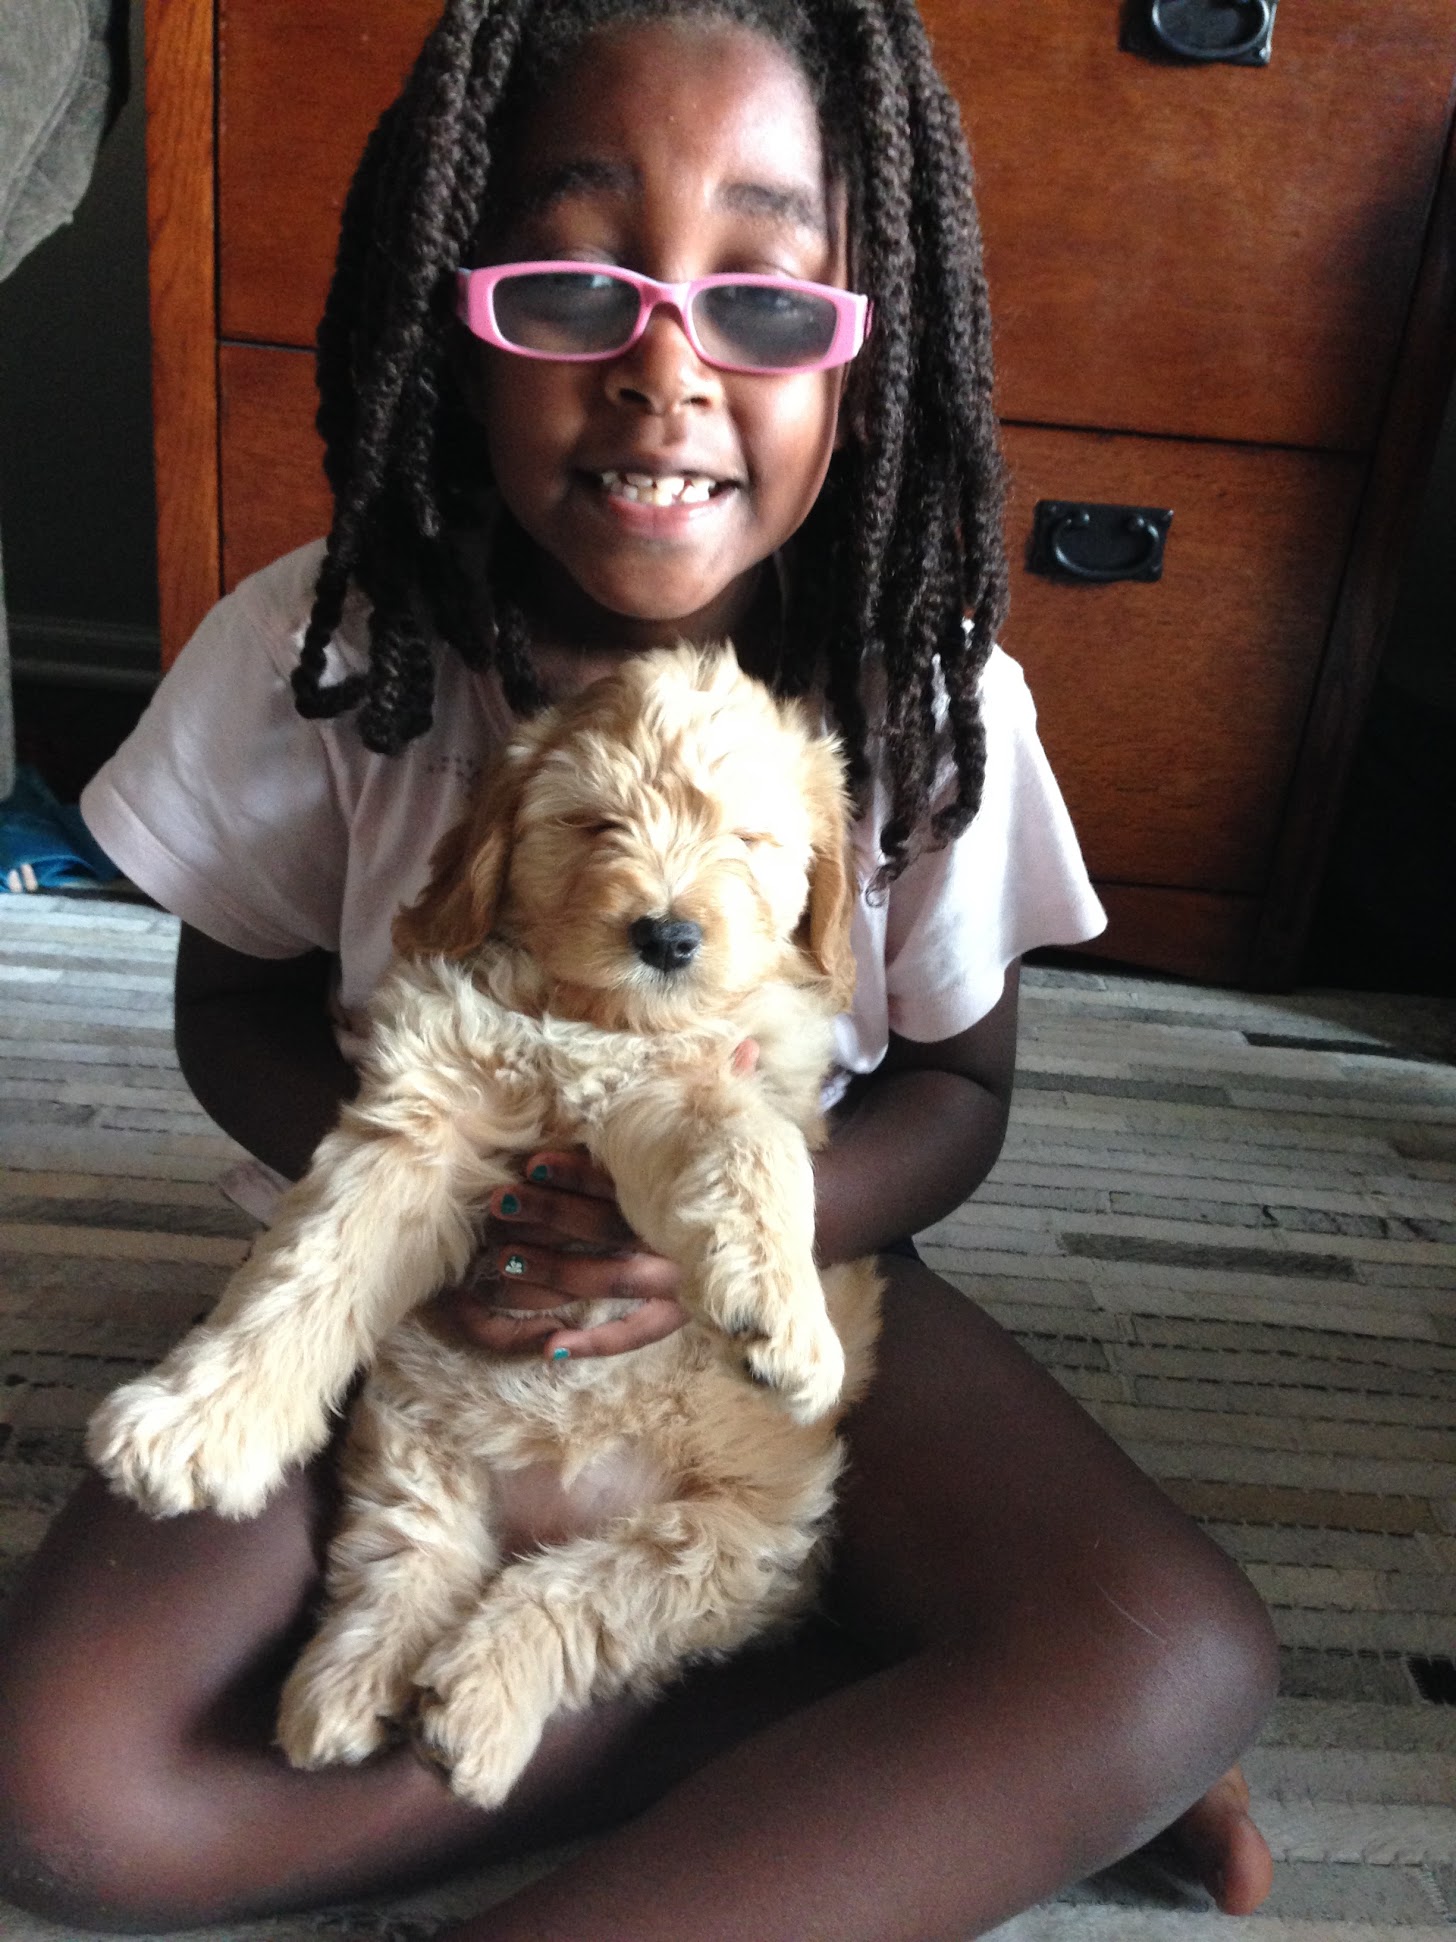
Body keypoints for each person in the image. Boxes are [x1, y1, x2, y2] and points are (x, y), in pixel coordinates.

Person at [0, 3, 1280, 1935]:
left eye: (764, 302)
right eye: (574, 289)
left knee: (1174, 1659)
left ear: (867, 350)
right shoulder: (336, 649)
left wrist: (719, 1238)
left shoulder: (918, 697)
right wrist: (430, 1198)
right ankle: (805, 1691)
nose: (664, 373)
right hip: (419, 1281)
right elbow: (231, 1002)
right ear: (456, 306)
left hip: (785, 1250)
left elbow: (962, 1088)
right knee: (65, 1810)